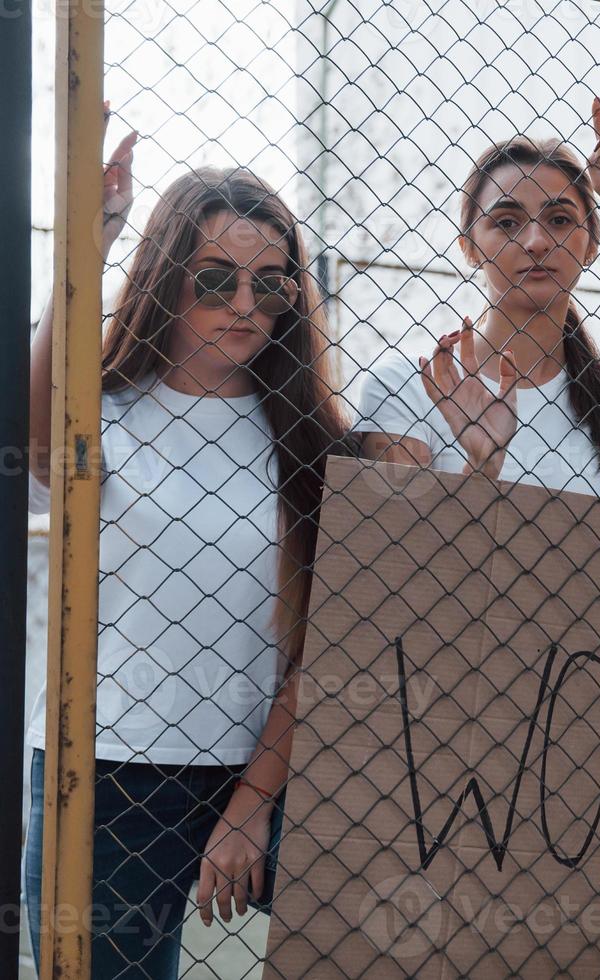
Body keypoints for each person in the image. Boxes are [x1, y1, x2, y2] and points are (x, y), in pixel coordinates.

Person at [23, 112, 353, 978]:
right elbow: (36, 437)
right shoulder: (103, 416)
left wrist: (251, 803)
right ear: (168, 279)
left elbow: (328, 638)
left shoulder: (313, 441)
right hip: (106, 775)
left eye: (272, 284)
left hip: (274, 773)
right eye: (216, 280)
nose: (246, 306)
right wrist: (81, 250)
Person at [354, 94, 600, 491]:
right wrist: (482, 468)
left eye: (559, 219)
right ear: (468, 246)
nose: (536, 241)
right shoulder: (404, 386)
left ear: (591, 244)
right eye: (507, 221)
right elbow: (393, 540)